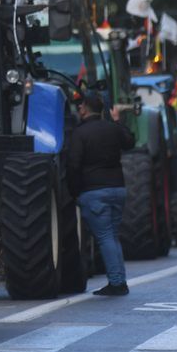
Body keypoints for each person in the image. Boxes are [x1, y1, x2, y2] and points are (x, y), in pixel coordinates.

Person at [66, 92, 133, 296]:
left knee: (104, 237)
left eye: (80, 105)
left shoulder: (80, 133)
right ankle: (119, 279)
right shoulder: (112, 129)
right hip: (118, 189)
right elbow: (130, 142)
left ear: (85, 108)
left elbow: (73, 165)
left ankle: (117, 282)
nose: (78, 108)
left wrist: (74, 191)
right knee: (112, 235)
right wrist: (116, 121)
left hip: (94, 191)